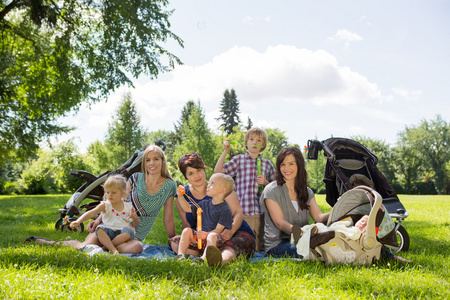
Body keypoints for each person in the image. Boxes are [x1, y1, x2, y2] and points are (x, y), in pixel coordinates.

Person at [24, 145, 177, 254]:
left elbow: (168, 217)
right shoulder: (136, 178)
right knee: (83, 246)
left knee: (136, 247)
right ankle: (44, 241)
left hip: (130, 234)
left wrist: (171, 240)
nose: (152, 163)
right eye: (148, 160)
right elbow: (116, 202)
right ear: (144, 163)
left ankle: (105, 249)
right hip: (109, 225)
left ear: (162, 161)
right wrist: (98, 221)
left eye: (156, 159)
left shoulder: (169, 186)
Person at [170, 152, 255, 266]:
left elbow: (238, 212)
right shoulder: (183, 194)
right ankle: (203, 254)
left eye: (199, 170)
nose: (196, 176)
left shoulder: (221, 186)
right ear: (185, 176)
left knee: (234, 243)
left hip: (232, 233)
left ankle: (220, 260)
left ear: (204, 169)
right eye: (191, 173)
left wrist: (231, 231)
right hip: (205, 236)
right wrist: (192, 238)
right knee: (175, 241)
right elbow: (187, 223)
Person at [260, 147, 330, 258]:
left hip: (304, 240)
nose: (286, 168)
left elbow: (319, 217)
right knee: (309, 251)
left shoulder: (307, 192)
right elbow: (279, 222)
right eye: (282, 164)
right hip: (277, 244)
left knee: (323, 247)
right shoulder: (271, 190)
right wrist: (301, 233)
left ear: (299, 165)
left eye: (291, 164)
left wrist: (338, 210)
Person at [214, 127, 276, 252]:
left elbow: (276, 186)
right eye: (251, 139)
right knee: (244, 241)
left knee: (260, 246)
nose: (254, 142)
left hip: (261, 212)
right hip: (242, 212)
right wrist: (225, 151)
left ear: (263, 145)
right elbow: (218, 171)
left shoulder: (267, 164)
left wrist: (266, 182)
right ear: (246, 142)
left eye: (259, 140)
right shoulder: (239, 160)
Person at [176, 173, 234, 266]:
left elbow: (218, 230)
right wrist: (180, 196)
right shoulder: (204, 204)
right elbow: (187, 208)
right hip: (201, 237)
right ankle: (180, 255)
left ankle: (204, 258)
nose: (208, 185)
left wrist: (206, 235)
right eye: (209, 182)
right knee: (187, 231)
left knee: (212, 235)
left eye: (212, 183)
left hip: (216, 240)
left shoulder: (225, 209)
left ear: (223, 190)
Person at [69, 174, 136, 254]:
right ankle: (113, 249)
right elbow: (91, 213)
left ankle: (105, 248)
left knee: (128, 233)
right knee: (100, 229)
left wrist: (134, 219)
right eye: (107, 192)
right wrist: (78, 221)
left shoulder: (128, 206)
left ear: (123, 193)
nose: (109, 195)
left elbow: (135, 223)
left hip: (122, 234)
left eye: (113, 192)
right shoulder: (105, 205)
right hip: (108, 232)